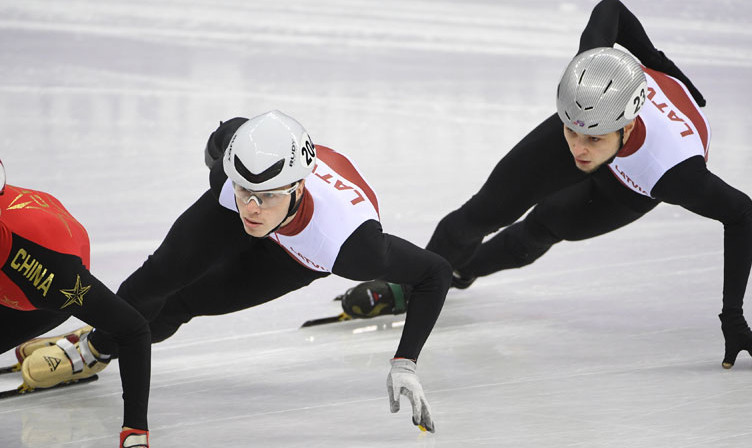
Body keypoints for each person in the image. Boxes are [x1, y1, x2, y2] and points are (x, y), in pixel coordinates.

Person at [334, 0, 752, 370]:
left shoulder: (671, 169)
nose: (578, 149)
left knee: (545, 227)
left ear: (628, 126)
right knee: (483, 211)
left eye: (592, 139)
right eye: (571, 132)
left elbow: (742, 213)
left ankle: (459, 274)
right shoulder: (588, 83)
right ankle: (409, 285)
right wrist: (653, 60)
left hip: (631, 183)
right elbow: (609, 7)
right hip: (601, 118)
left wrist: (732, 314)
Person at [19, 110, 450, 432]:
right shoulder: (231, 171)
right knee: (159, 276)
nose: (252, 208)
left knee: (186, 302)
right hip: (260, 210)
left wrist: (405, 362)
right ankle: (96, 342)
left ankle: (101, 347)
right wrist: (244, 191)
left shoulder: (352, 246)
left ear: (299, 187)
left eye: (266, 196)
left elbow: (435, 272)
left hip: (297, 252)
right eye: (245, 190)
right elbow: (239, 176)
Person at [0, 159, 152, 447]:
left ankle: (85, 346)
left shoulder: (50, 275)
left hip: (43, 288)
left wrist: (135, 433)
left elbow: (133, 330)